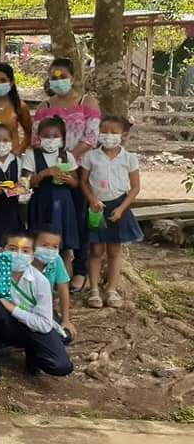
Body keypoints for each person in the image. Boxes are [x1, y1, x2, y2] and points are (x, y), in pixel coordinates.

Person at [33, 58, 101, 293]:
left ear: (73, 77)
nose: (58, 80)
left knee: (79, 222)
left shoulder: (86, 101)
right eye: (54, 76)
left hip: (79, 170)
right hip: (48, 171)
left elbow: (91, 138)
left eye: (63, 76)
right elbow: (36, 139)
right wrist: (51, 161)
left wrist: (65, 159)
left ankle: (79, 271)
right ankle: (48, 270)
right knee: (51, 222)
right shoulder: (45, 107)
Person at [0, 232, 74, 385]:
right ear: (2, 250)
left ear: (33, 255)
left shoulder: (40, 281)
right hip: (5, 326)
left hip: (32, 327)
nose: (19, 255)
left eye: (25, 251)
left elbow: (44, 324)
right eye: (13, 249)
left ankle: (33, 353)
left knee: (61, 366)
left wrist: (12, 308)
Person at [80, 115, 142, 309]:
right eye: (104, 132)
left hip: (118, 208)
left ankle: (112, 290)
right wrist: (92, 200)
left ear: (123, 136)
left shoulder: (129, 158)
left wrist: (121, 209)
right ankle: (94, 290)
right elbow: (83, 181)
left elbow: (135, 188)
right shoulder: (91, 156)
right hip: (96, 207)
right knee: (96, 250)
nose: (108, 136)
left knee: (115, 250)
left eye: (113, 133)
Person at [22, 116, 80, 283]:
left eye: (55, 136)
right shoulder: (32, 155)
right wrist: (44, 173)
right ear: (39, 137)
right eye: (46, 136)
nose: (51, 140)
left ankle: (63, 286)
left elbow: (76, 182)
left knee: (64, 248)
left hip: (63, 205)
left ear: (62, 138)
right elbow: (26, 183)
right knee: (40, 246)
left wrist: (69, 180)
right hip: (41, 204)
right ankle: (38, 284)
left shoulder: (67, 156)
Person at [32, 229, 76, 342]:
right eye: (45, 245)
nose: (50, 250)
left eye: (55, 246)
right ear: (32, 244)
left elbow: (63, 289)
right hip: (21, 308)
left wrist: (66, 320)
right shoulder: (23, 260)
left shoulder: (56, 260)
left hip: (44, 310)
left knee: (65, 336)